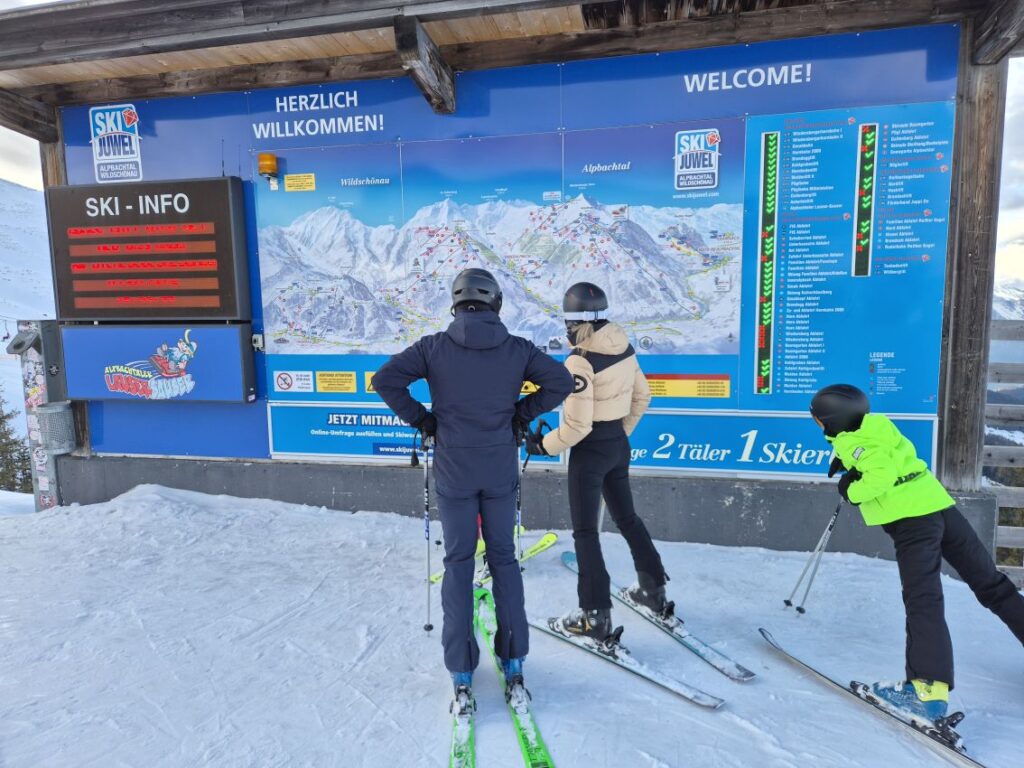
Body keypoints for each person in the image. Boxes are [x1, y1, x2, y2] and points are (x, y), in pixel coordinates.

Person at [373, 268, 572, 711]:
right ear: (495, 303)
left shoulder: (433, 347)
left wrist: (426, 422)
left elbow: (384, 380)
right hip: (499, 467)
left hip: (454, 471)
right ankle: (514, 662)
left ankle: (462, 670)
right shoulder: (517, 348)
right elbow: (560, 383)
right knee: (504, 560)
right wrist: (520, 415)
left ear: (456, 303)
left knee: (459, 562)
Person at [810, 383, 1024, 722]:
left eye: (819, 420)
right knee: (990, 583)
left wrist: (852, 489)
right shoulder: (877, 426)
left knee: (923, 597)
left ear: (831, 420)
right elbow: (887, 456)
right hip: (939, 506)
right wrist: (851, 465)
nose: (818, 426)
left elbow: (880, 473)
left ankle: (926, 689)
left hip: (913, 520)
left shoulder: (850, 442)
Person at [525, 282, 669, 642]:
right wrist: (619, 433)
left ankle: (594, 617)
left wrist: (544, 445)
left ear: (572, 322)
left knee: (586, 533)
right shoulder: (623, 345)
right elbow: (643, 396)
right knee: (628, 519)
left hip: (589, 452)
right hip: (617, 444)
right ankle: (653, 592)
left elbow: (576, 425)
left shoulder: (579, 361)